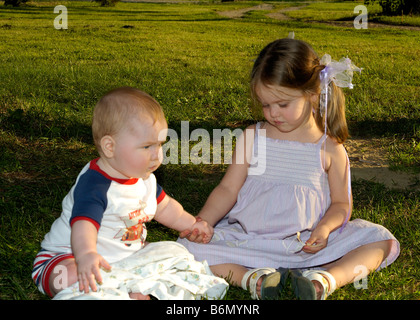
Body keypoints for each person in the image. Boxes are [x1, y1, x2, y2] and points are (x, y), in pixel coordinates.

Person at [178, 38, 400, 300]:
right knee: (185, 249)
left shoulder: (329, 149)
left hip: (307, 245)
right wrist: (204, 221)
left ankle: (325, 279)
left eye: (283, 104)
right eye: (265, 104)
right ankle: (253, 278)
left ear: (312, 95)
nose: (273, 113)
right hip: (250, 240)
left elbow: (341, 204)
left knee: (380, 240)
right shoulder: (253, 137)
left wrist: (325, 229)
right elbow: (227, 188)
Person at [32, 87, 214, 300]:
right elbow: (84, 224)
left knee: (176, 253)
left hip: (124, 256)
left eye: (159, 145)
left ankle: (127, 286)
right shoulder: (95, 184)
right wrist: (86, 255)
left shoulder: (144, 178)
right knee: (70, 277)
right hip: (68, 256)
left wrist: (191, 224)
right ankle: (125, 287)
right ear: (110, 147)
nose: (157, 155)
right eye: (147, 146)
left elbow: (165, 207)